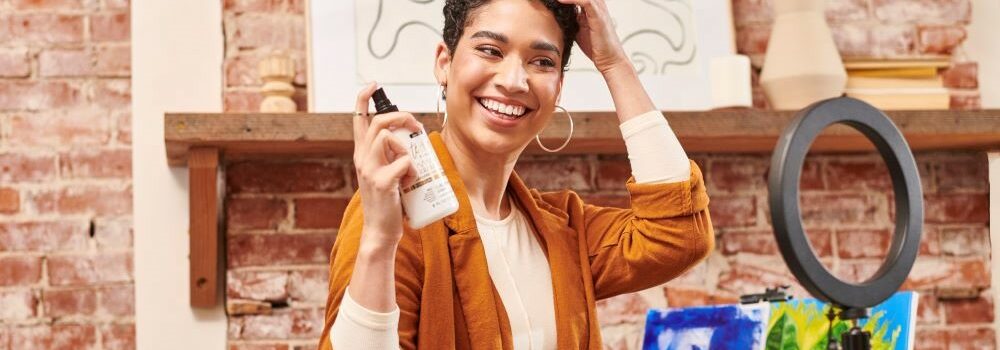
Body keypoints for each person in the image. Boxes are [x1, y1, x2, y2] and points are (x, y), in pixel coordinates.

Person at [317, 0, 714, 348]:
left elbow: (678, 235)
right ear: (444, 62)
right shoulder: (394, 219)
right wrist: (379, 241)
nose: (513, 81)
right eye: (490, 50)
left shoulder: (561, 231)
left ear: (558, 89)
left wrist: (614, 64)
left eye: (542, 61)